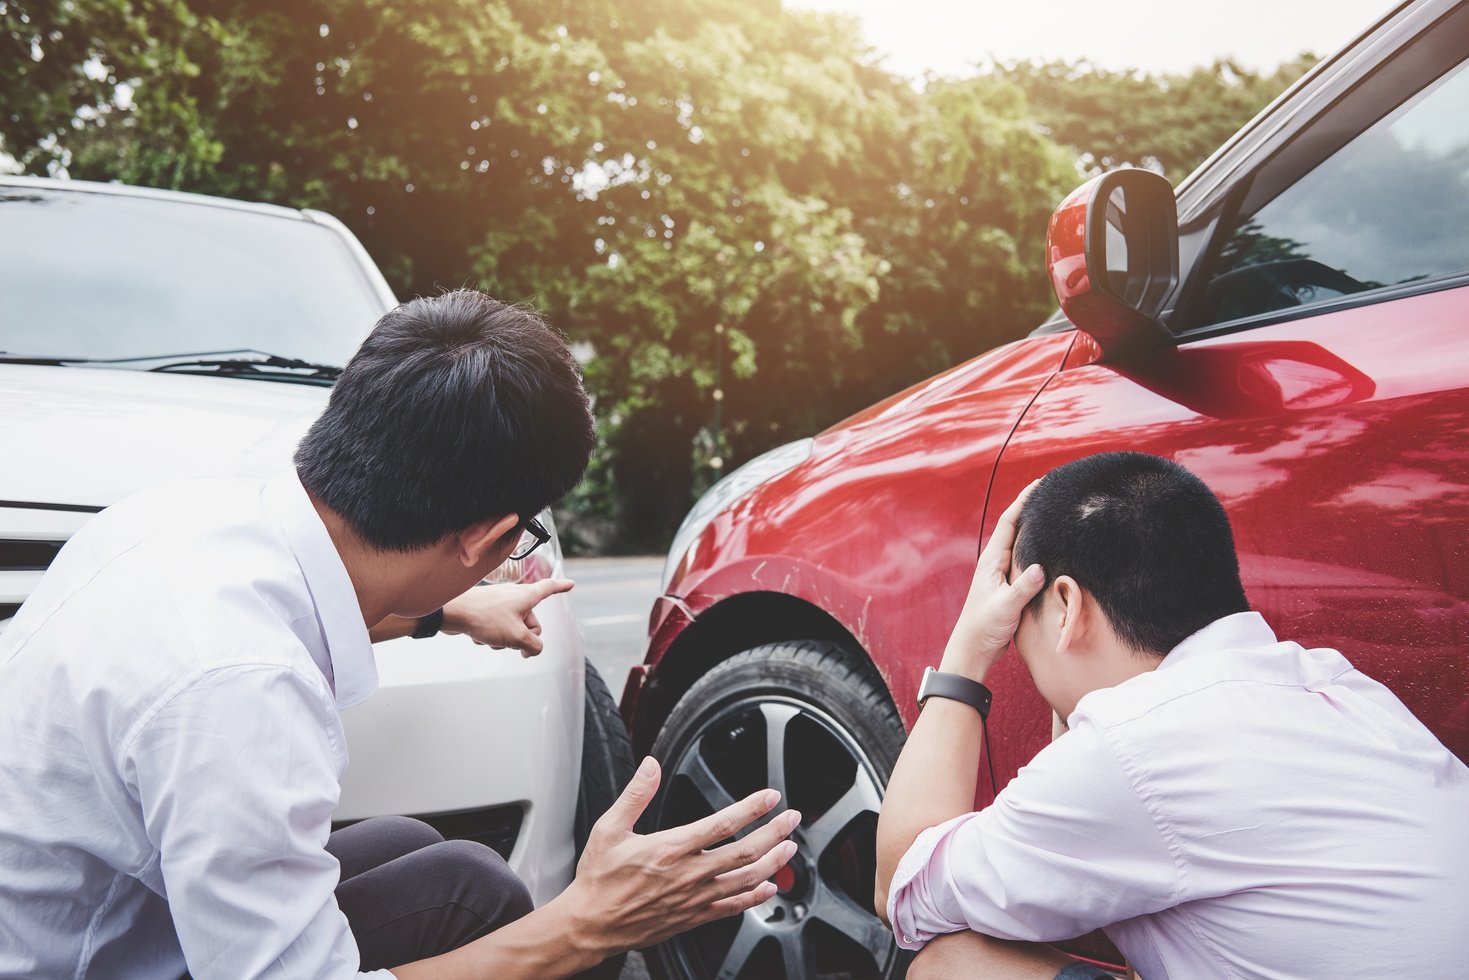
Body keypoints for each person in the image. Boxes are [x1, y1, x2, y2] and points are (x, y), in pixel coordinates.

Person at [0, 290, 800, 978]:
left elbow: (286, 616)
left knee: (431, 858)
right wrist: (589, 922)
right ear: (485, 540)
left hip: (84, 913)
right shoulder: (241, 694)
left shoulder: (188, 514)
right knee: (494, 902)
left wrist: (446, 612)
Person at [874, 451, 1469, 979]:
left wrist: (968, 652)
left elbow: (902, 885)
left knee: (950, 966)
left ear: (1064, 606)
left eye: (1018, 641)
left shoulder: (1131, 747)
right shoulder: (1338, 685)